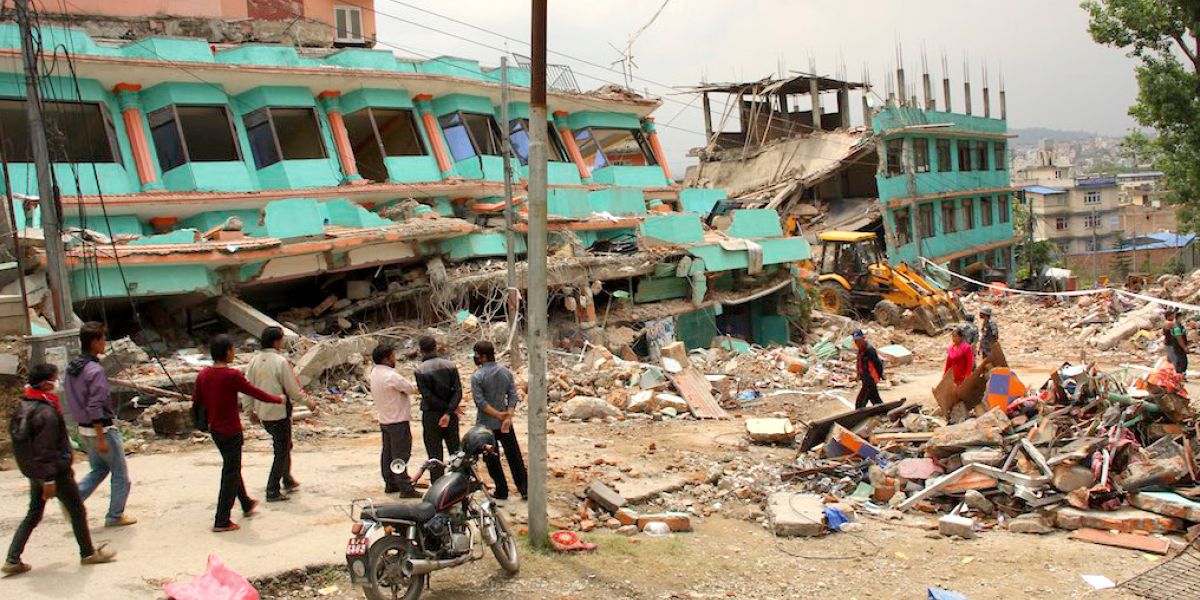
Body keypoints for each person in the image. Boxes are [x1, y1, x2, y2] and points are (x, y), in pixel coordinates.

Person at [5, 364, 116, 575]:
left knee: (34, 513)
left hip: (36, 471)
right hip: (54, 472)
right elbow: (45, 449)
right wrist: (48, 479)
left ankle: (12, 558)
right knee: (76, 510)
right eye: (54, 379)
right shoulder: (45, 412)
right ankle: (88, 553)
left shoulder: (24, 407)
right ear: (46, 382)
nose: (56, 383)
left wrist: (40, 476)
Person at [192, 334, 283, 532]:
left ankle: (245, 503)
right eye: (233, 349)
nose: (234, 353)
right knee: (230, 472)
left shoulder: (203, 375)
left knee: (231, 467)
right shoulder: (231, 375)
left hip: (215, 429)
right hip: (230, 430)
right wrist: (278, 399)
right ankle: (221, 519)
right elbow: (254, 392)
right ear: (227, 352)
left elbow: (197, 401)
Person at [65, 321, 135, 528]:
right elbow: (95, 404)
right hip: (100, 428)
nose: (105, 343)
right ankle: (115, 516)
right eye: (103, 339)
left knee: (99, 469)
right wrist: (102, 437)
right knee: (121, 476)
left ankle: (73, 500)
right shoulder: (94, 370)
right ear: (95, 342)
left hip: (83, 428)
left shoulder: (73, 368)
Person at [244, 326, 307, 502]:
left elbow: (246, 389)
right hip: (279, 411)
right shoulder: (280, 362)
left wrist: (249, 410)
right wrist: (310, 403)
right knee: (282, 449)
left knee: (283, 445)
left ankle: (287, 478)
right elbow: (293, 390)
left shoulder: (254, 362)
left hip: (263, 412)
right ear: (276, 342)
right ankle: (273, 489)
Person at [470, 341, 528, 501]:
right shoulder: (505, 372)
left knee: (491, 458)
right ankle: (524, 489)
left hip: (486, 425)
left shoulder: (477, 376)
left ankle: (501, 490)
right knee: (514, 455)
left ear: (482, 357)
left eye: (476, 355)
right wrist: (507, 415)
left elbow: (480, 403)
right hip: (505, 423)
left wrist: (497, 415)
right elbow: (513, 395)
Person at [368, 342, 420, 498]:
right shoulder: (391, 375)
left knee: (388, 453)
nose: (394, 359)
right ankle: (405, 487)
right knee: (401, 454)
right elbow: (410, 388)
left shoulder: (375, 373)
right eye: (392, 356)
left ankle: (390, 483)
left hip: (385, 419)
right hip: (397, 420)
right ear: (386, 358)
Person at [414, 336, 462, 483]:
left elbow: (427, 396)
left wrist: (444, 411)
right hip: (451, 414)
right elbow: (458, 391)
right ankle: (459, 484)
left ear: (421, 350)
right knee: (456, 452)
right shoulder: (450, 365)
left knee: (434, 455)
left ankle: (437, 488)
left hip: (431, 415)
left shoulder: (420, 371)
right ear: (436, 347)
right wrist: (449, 412)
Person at [852, 329, 884, 409]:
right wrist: (858, 375)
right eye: (855, 341)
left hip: (870, 379)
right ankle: (884, 412)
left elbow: (878, 363)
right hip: (865, 379)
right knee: (875, 399)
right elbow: (859, 363)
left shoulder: (869, 350)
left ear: (863, 338)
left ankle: (858, 415)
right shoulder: (860, 350)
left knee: (860, 403)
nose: (857, 343)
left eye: (859, 340)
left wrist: (879, 376)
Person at [1164, 308, 1189, 377]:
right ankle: (1179, 375)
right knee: (1180, 361)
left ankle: (1173, 374)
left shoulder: (1178, 326)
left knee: (1175, 360)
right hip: (1176, 346)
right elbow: (1179, 338)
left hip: (1173, 345)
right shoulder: (1175, 326)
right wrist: (1184, 347)